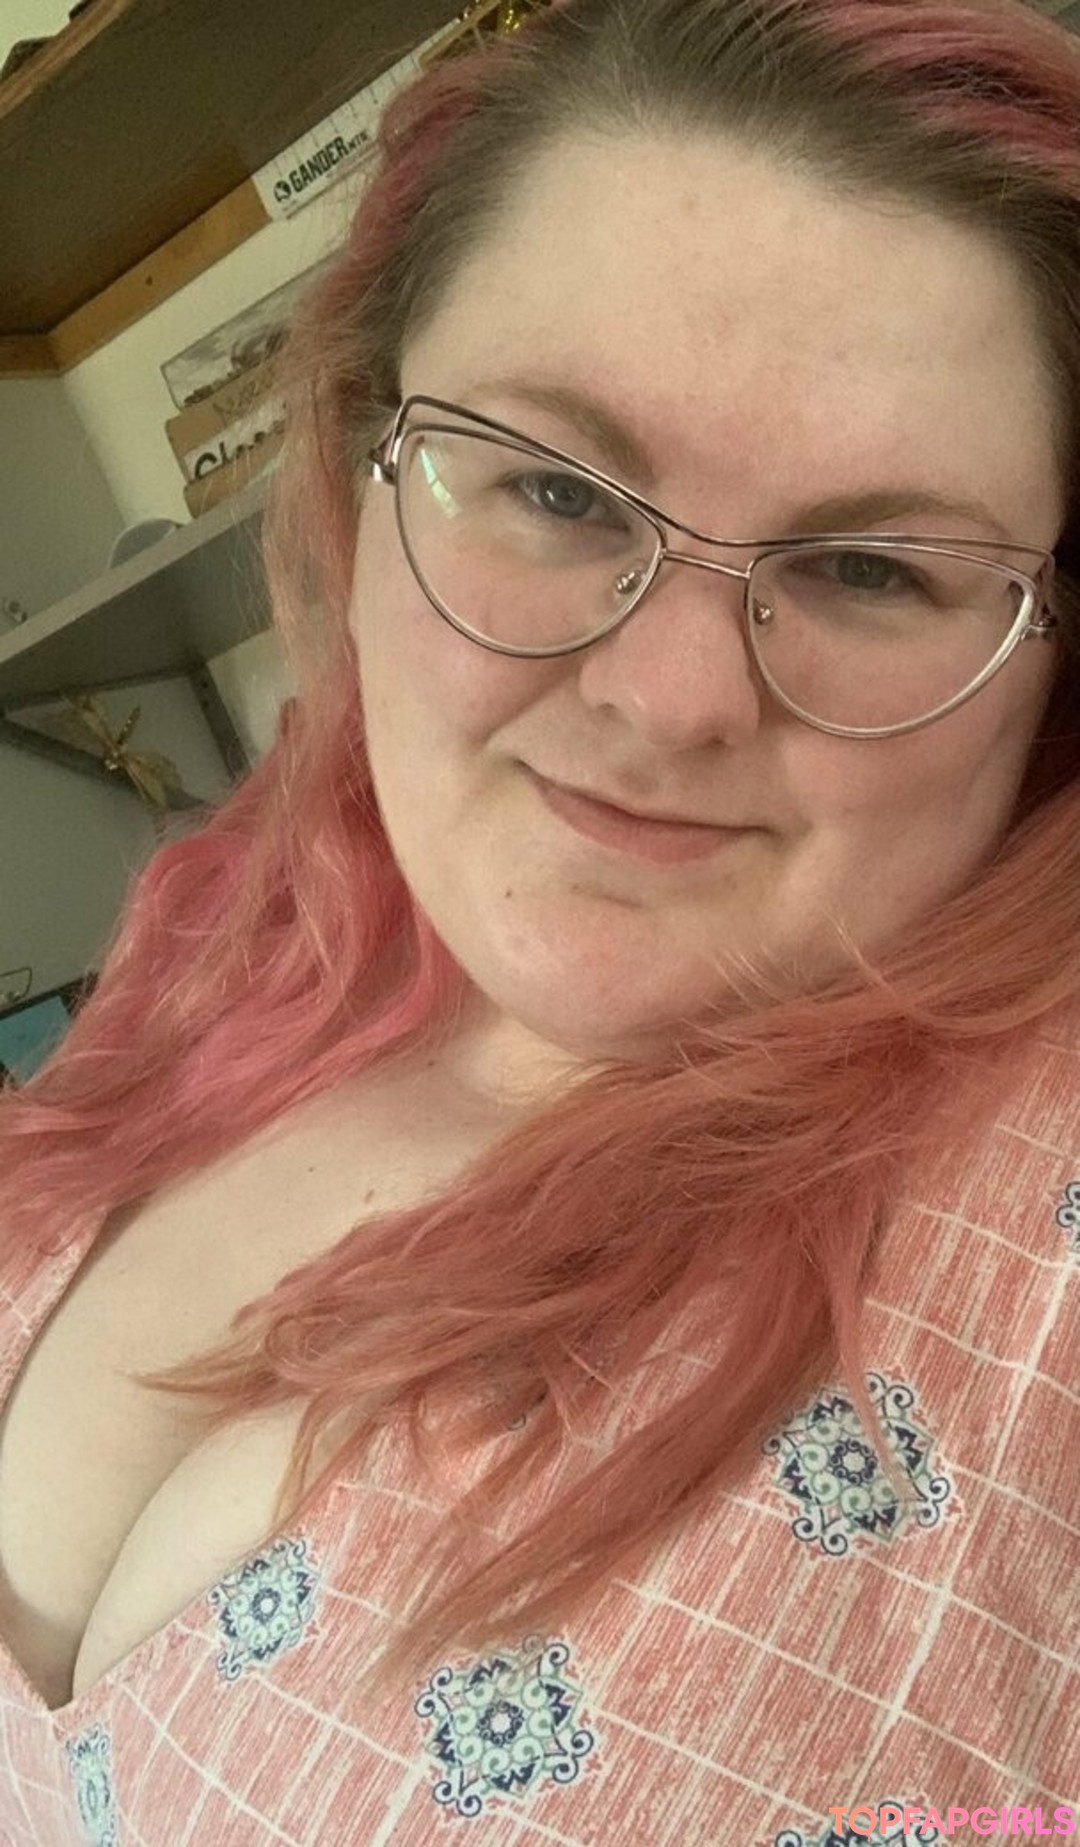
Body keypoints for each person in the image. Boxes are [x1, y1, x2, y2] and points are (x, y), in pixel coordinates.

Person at [1, 0, 1078, 1839]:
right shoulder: (235, 943)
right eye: (559, 491)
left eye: (869, 568)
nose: (669, 697)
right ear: (363, 472)